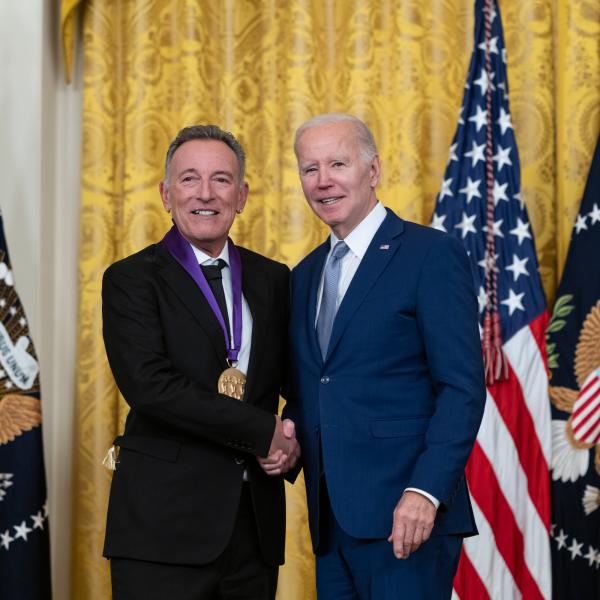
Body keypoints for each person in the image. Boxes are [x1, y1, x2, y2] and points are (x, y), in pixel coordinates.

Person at [284, 113, 486, 599]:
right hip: (332, 524)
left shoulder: (429, 254)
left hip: (408, 517)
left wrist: (426, 491)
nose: (323, 181)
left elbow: (461, 388)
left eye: (338, 163)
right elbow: (319, 385)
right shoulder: (305, 274)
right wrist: (286, 437)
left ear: (372, 170)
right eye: (310, 169)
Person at [101, 124, 299, 600]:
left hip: (253, 527)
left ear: (243, 195)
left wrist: (292, 438)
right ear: (167, 194)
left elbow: (301, 380)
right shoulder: (131, 279)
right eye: (189, 179)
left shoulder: (274, 279)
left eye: (222, 179)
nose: (205, 194)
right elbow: (152, 387)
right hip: (162, 530)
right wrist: (261, 430)